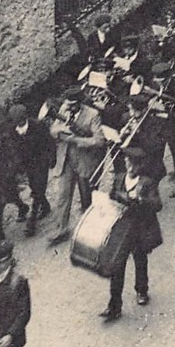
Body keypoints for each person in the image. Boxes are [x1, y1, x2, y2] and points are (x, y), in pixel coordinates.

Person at [101, 148, 163, 322]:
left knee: (140, 260)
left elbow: (158, 205)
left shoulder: (148, 182)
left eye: (133, 165)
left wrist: (141, 199)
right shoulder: (120, 178)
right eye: (128, 163)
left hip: (139, 228)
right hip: (122, 228)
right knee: (117, 266)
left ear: (140, 166)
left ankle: (142, 290)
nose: (129, 168)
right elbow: (113, 195)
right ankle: (114, 306)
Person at [48, 86, 106, 246]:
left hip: (84, 160)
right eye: (67, 104)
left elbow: (99, 140)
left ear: (79, 103)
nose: (68, 108)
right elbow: (53, 130)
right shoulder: (64, 109)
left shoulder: (92, 114)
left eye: (72, 105)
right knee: (63, 195)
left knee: (86, 196)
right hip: (66, 160)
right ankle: (61, 229)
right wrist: (61, 129)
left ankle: (88, 229)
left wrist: (77, 140)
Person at [7, 104, 57, 237]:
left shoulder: (38, 126)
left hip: (41, 161)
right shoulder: (12, 130)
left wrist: (52, 158)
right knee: (34, 185)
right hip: (28, 163)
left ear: (25, 118)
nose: (18, 125)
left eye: (21, 122)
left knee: (38, 188)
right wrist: (18, 164)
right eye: (15, 122)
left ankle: (32, 221)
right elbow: (15, 148)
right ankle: (45, 207)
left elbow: (50, 142)